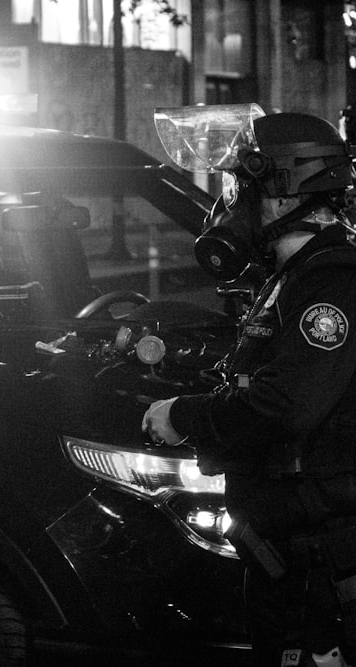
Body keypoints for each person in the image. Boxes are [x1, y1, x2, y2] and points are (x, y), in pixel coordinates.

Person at [143, 110, 356, 666]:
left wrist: (185, 417)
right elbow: (266, 373)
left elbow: (289, 404)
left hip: (324, 578)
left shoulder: (334, 281)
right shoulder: (293, 278)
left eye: (242, 187)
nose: (230, 204)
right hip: (289, 565)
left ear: (285, 194)